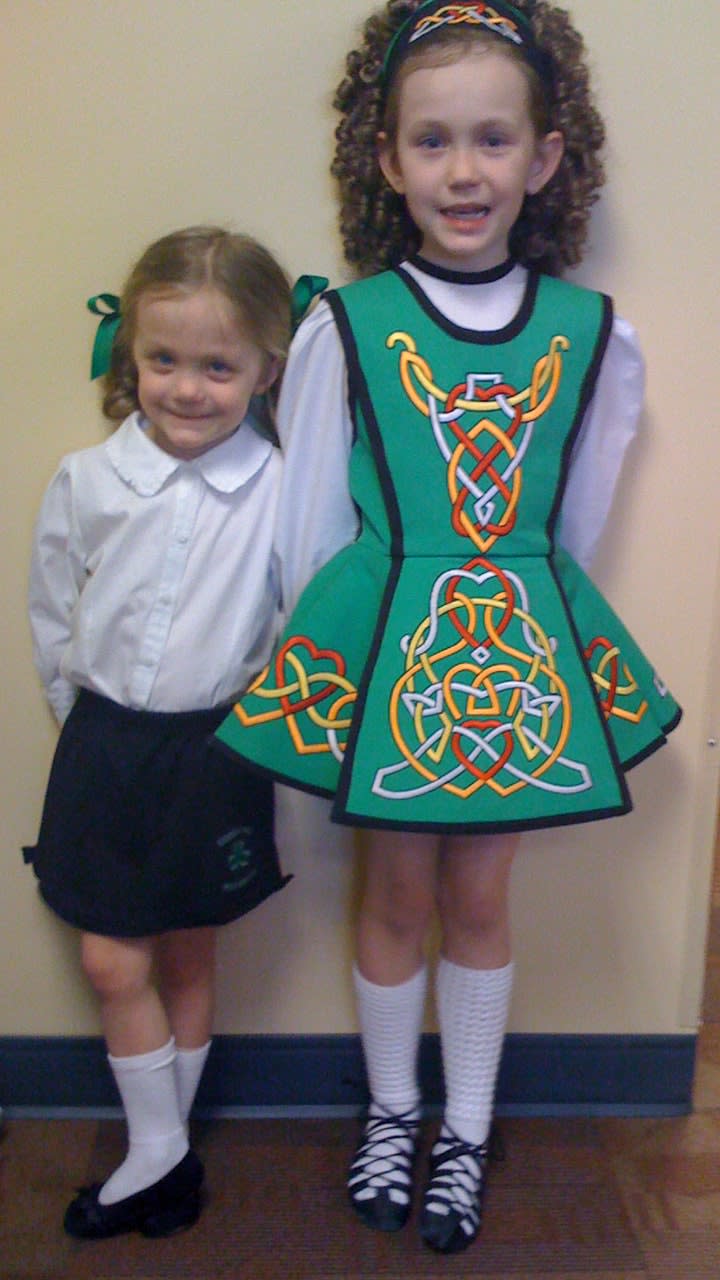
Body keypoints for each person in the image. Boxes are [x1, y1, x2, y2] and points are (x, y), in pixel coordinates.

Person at [216, 0, 681, 1256]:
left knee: (482, 892)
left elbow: (569, 525)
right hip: (383, 657)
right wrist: (323, 673)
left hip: (513, 652)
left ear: (542, 157)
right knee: (394, 887)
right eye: (431, 142)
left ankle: (464, 1129)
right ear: (387, 159)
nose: (462, 170)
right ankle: (393, 1111)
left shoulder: (593, 334)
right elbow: (311, 525)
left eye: (491, 139)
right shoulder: (347, 326)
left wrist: (521, 641)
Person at [25, 225, 294, 1239]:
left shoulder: (278, 490)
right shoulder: (89, 480)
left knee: (186, 954)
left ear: (266, 369)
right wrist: (83, 724)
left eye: (218, 365)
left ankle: (158, 1148)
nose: (188, 387)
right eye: (164, 359)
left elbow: (295, 617)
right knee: (110, 959)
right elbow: (55, 611)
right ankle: (161, 1155)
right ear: (129, 355)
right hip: (103, 744)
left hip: (217, 750)